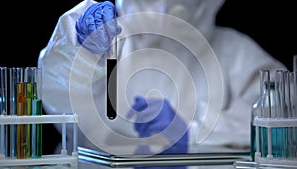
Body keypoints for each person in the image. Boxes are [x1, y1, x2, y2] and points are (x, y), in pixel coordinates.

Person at [38, 0, 287, 168]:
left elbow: (279, 118)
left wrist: (191, 134)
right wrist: (78, 46)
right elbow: (57, 97)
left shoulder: (234, 51)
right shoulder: (109, 41)